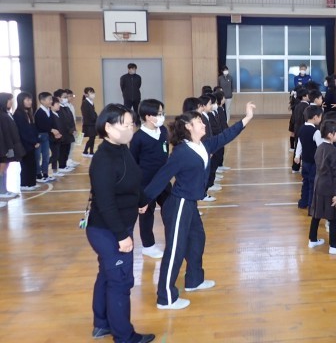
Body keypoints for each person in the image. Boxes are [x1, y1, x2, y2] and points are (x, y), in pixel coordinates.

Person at [143, 102, 256, 310]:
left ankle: (194, 280)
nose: (204, 124)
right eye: (199, 122)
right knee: (175, 250)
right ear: (188, 127)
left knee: (197, 239)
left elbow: (226, 136)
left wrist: (247, 117)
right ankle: (165, 298)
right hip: (179, 205)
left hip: (190, 204)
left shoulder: (203, 145)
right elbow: (162, 177)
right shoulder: (181, 152)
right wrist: (144, 201)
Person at [86, 104, 154, 343]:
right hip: (108, 230)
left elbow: (133, 179)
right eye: (125, 125)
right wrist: (121, 236)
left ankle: (102, 324)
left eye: (131, 124)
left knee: (108, 275)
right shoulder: (103, 160)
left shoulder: (122, 149)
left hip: (118, 226)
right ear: (108, 127)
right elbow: (105, 203)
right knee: (120, 281)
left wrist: (142, 200)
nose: (130, 129)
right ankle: (125, 337)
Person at [129, 99, 172, 259]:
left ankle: (173, 240)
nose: (162, 117)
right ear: (147, 116)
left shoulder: (163, 131)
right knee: (147, 215)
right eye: (158, 114)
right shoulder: (138, 138)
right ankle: (148, 245)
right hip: (146, 184)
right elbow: (133, 162)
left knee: (171, 210)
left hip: (164, 181)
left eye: (162, 113)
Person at [307, 119, 336, 255]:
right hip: (330, 187)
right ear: (330, 135)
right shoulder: (334, 151)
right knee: (334, 216)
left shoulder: (320, 148)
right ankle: (334, 245)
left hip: (319, 185)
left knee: (317, 213)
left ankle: (312, 239)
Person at [294, 105, 324, 209]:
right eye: (320, 117)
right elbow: (321, 147)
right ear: (315, 117)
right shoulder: (316, 131)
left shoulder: (302, 128)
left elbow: (299, 143)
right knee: (313, 183)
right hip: (314, 163)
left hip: (305, 161)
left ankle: (303, 202)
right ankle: (312, 205)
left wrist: (297, 155)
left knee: (305, 181)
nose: (321, 119)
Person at [13, 92, 40, 191]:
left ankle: (31, 183)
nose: (30, 102)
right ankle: (24, 184)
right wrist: (33, 141)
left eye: (30, 100)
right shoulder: (18, 114)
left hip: (30, 143)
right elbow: (23, 131)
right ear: (21, 101)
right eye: (27, 100)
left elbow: (32, 128)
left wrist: (36, 139)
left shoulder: (28, 113)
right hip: (24, 144)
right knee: (26, 164)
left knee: (32, 163)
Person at [0, 92, 24, 201]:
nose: (11, 102)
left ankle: (4, 190)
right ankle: (2, 191)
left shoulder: (6, 113)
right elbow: (3, 134)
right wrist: (6, 149)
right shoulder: (1, 115)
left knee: (5, 168)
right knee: (2, 169)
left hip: (9, 146)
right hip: (4, 147)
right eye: (9, 100)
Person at [33, 91, 55, 183]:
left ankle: (45, 173)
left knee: (46, 155)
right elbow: (41, 125)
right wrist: (51, 130)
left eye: (51, 99)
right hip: (39, 136)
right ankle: (38, 174)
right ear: (42, 101)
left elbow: (51, 123)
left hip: (46, 136)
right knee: (37, 156)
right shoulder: (39, 112)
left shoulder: (49, 110)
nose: (51, 101)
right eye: (49, 99)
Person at [54, 88, 76, 173]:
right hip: (63, 133)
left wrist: (73, 129)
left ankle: (65, 164)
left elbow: (71, 119)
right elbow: (62, 122)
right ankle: (61, 166)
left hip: (69, 133)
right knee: (62, 150)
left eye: (67, 97)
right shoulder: (58, 109)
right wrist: (69, 129)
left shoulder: (66, 107)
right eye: (64, 97)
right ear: (58, 98)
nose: (66, 98)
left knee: (67, 149)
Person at [81, 87, 98, 157]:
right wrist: (95, 118)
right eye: (91, 93)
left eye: (93, 92)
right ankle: (85, 151)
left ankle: (91, 152)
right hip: (89, 124)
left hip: (92, 124)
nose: (93, 94)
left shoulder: (91, 102)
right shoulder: (85, 103)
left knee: (92, 138)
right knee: (91, 138)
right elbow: (88, 114)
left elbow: (93, 113)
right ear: (86, 94)